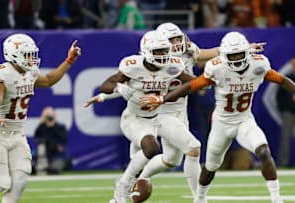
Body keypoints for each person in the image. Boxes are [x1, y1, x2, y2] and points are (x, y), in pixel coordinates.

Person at [139, 31, 295, 203]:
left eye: (239, 54)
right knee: (211, 167)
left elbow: (281, 79)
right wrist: (163, 98)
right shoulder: (217, 68)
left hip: (245, 120)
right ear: (224, 56)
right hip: (221, 123)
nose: (236, 59)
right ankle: (200, 198)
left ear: (246, 53)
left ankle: (276, 198)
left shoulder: (258, 64)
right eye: (232, 55)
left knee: (263, 151)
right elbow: (192, 86)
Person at [85, 22, 266, 198]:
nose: (176, 44)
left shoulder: (183, 54)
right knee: (193, 148)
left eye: (177, 39)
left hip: (180, 109)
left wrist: (239, 51)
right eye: (170, 41)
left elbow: (205, 56)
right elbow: (134, 84)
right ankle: (197, 197)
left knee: (172, 160)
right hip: (161, 110)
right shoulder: (144, 62)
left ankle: (137, 175)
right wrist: (105, 95)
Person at [0, 33, 80, 203]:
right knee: (1, 184)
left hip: (17, 134)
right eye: (27, 54)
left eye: (32, 54)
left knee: (20, 181)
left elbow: (48, 80)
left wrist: (68, 61)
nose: (32, 58)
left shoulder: (29, 72)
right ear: (13, 54)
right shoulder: (1, 74)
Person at [98, 30, 197, 203]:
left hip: (159, 117)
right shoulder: (132, 65)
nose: (163, 55)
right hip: (135, 118)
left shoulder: (173, 65)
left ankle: (199, 199)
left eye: (165, 51)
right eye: (158, 51)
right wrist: (118, 88)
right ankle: (124, 185)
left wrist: (209, 81)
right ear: (146, 51)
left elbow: (193, 83)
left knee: (193, 145)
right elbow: (106, 85)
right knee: (151, 148)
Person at [34, 106, 71, 174]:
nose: (49, 118)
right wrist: (41, 121)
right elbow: (36, 136)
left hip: (58, 155)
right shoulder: (42, 127)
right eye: (47, 116)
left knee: (54, 169)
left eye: (50, 115)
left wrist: (52, 126)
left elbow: (64, 139)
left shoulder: (60, 127)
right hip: (44, 156)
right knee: (32, 169)